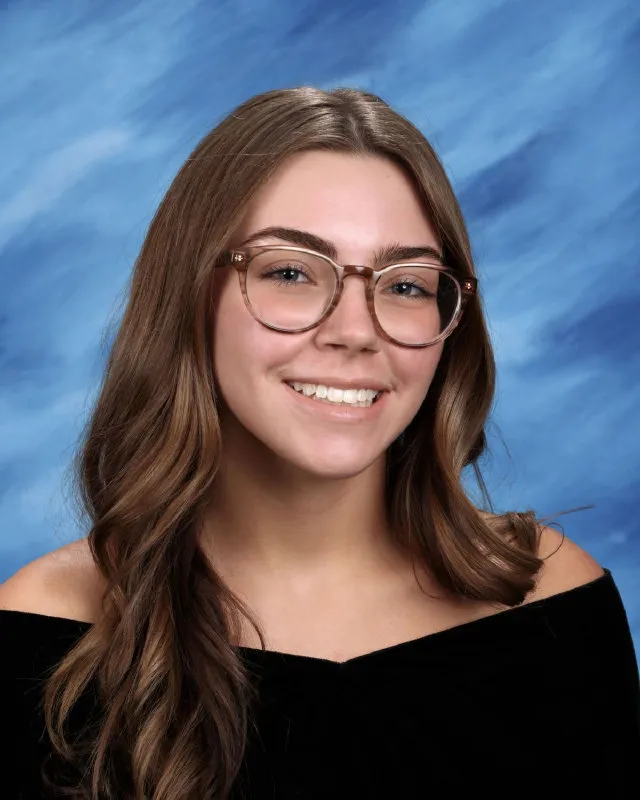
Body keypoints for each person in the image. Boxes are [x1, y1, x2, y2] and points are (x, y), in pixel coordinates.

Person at [0, 86, 638, 799]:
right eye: (292, 273)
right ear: (190, 296)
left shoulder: (550, 602)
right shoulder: (46, 630)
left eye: (404, 285)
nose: (356, 331)